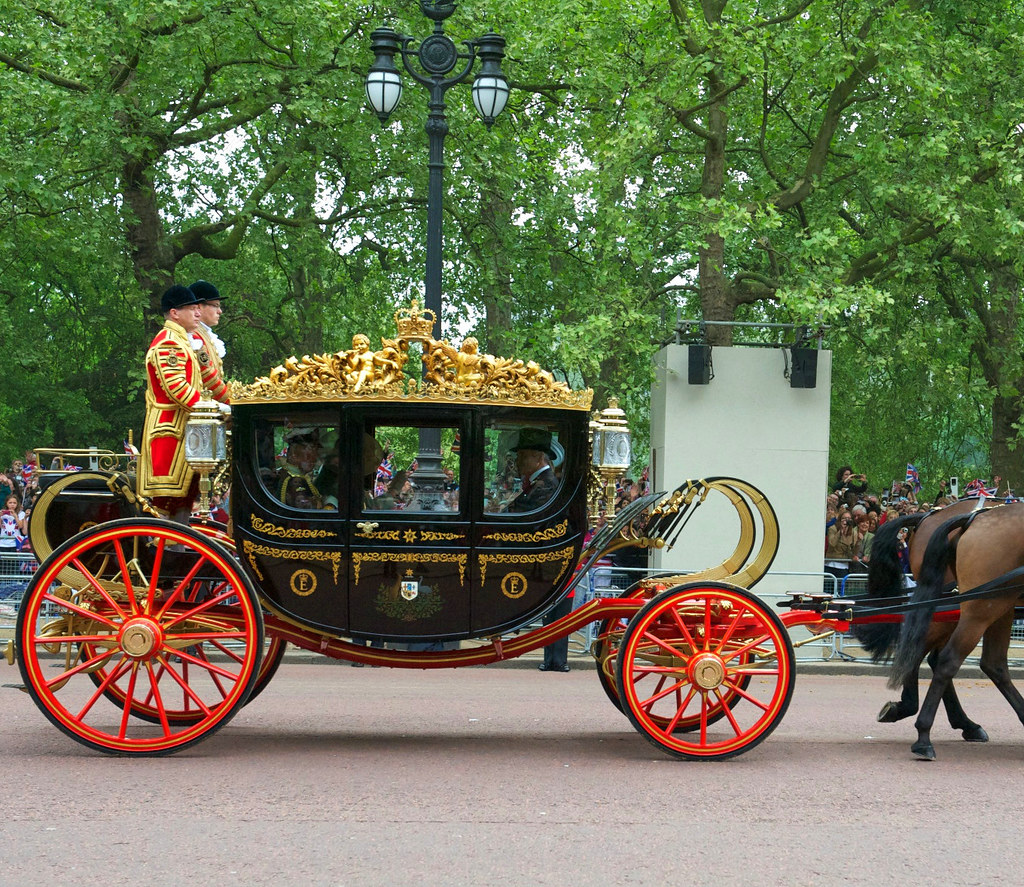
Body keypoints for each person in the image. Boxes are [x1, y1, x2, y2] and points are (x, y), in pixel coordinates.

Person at [138, 285, 231, 521]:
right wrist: (214, 408)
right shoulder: (168, 343)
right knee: (168, 500)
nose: (197, 313)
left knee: (185, 498)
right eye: (191, 309)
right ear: (174, 313)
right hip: (171, 431)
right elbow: (177, 389)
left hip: (184, 430)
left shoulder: (182, 340)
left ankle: (175, 548)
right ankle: (167, 549)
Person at [505, 428, 559, 513]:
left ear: (540, 457)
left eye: (523, 455)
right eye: (518, 456)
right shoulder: (537, 480)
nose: (518, 460)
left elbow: (528, 516)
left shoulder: (547, 485)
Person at [276, 427, 326, 509]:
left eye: (315, 454)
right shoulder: (291, 480)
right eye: (308, 456)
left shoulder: (302, 477)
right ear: (293, 455)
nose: (315, 459)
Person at [189, 279, 228, 376]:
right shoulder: (192, 336)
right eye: (216, 305)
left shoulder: (204, 334)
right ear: (199, 307)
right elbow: (206, 376)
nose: (220, 311)